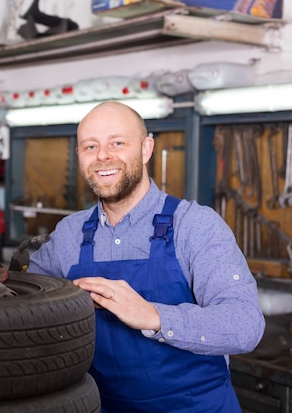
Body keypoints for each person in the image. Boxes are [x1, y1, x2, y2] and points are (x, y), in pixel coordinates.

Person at [28, 101, 265, 413]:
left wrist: (154, 316)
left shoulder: (195, 225)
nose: (102, 156)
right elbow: (26, 308)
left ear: (146, 148)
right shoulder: (69, 235)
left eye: (117, 142)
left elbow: (245, 325)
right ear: (79, 156)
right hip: (102, 406)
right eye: (90, 146)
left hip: (194, 407)